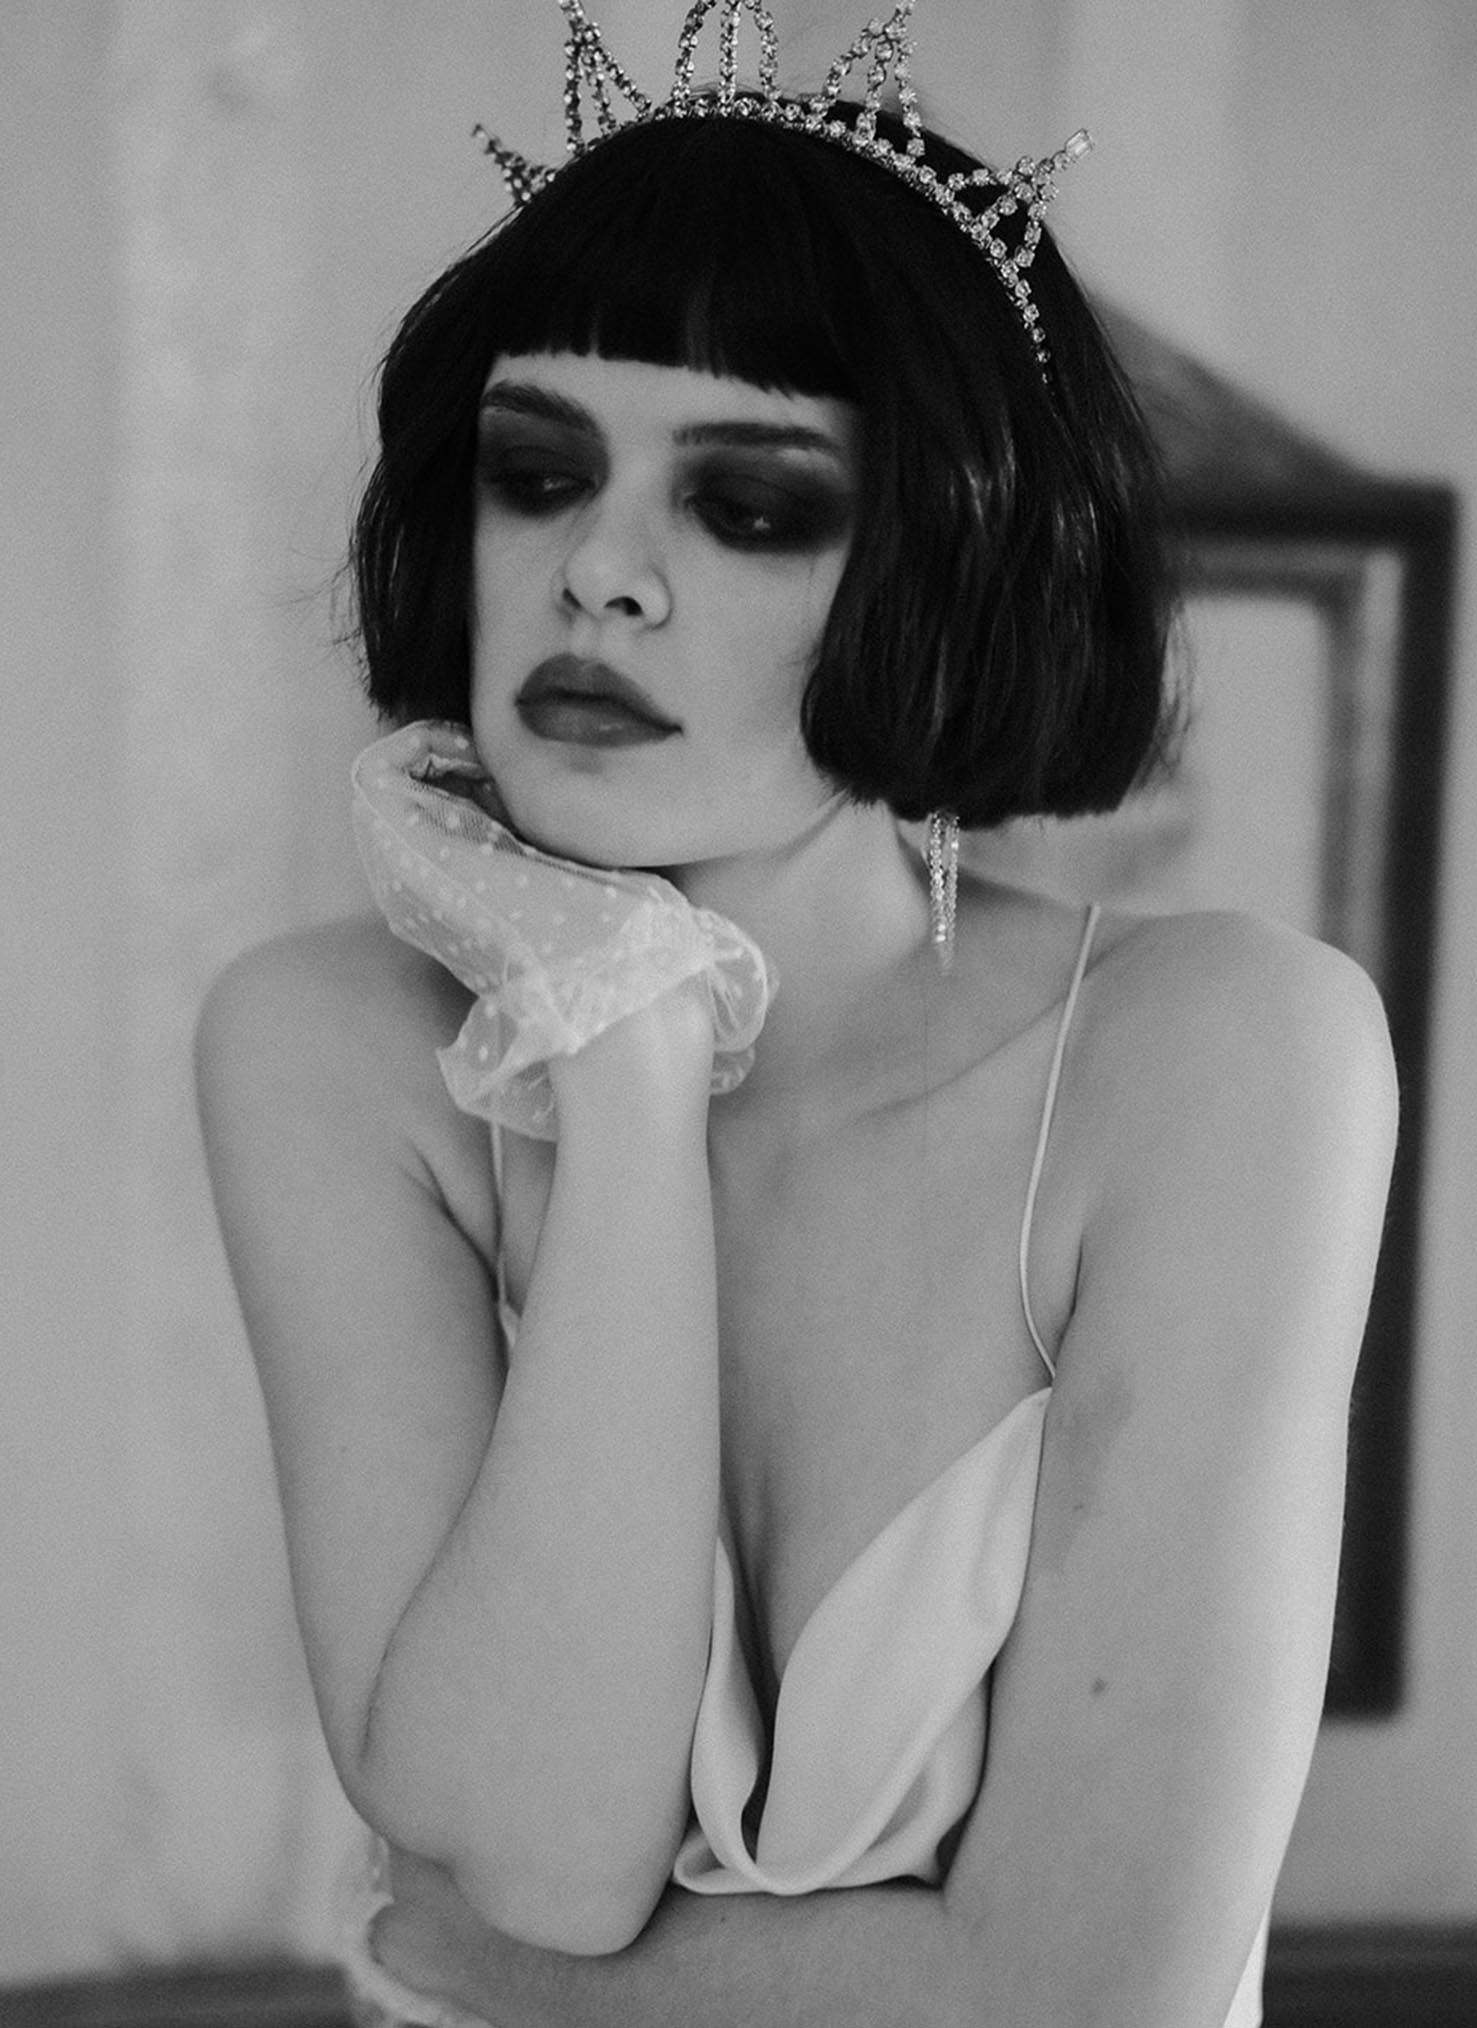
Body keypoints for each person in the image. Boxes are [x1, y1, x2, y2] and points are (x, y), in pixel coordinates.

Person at [196, 5, 1398, 2023]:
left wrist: (485, 1962)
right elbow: (549, 1850)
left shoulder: (1224, 1052)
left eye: (748, 504)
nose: (598, 573)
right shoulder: (329, 1050)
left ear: (944, 560)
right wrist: (626, 1045)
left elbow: (1090, 1997)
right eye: (536, 472)